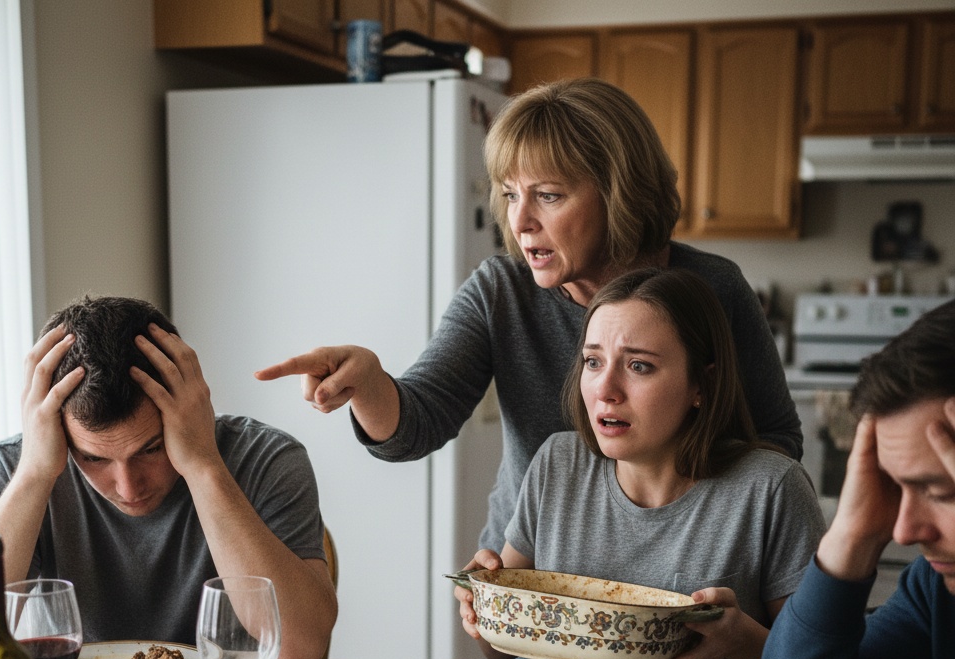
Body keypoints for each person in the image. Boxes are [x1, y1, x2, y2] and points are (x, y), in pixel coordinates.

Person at [254, 78, 802, 554]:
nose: (520, 220)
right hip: (531, 569)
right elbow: (415, 425)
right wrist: (370, 384)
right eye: (511, 194)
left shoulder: (714, 288)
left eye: (548, 195)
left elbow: (774, 443)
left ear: (620, 194)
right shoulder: (502, 291)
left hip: (678, 568)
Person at [457, 268, 823, 659]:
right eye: (593, 361)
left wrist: (739, 638)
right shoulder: (557, 461)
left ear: (701, 385)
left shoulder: (772, 489)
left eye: (639, 366)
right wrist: (482, 605)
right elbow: (501, 650)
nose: (605, 389)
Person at [0, 296, 337, 659]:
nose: (128, 486)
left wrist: (202, 464)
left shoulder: (267, 458)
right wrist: (34, 475)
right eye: (94, 458)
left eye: (151, 448)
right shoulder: (12, 470)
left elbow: (296, 651)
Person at [747, 299, 955, 659]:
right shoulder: (936, 590)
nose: (904, 532)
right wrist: (850, 538)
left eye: (943, 492)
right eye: (899, 486)